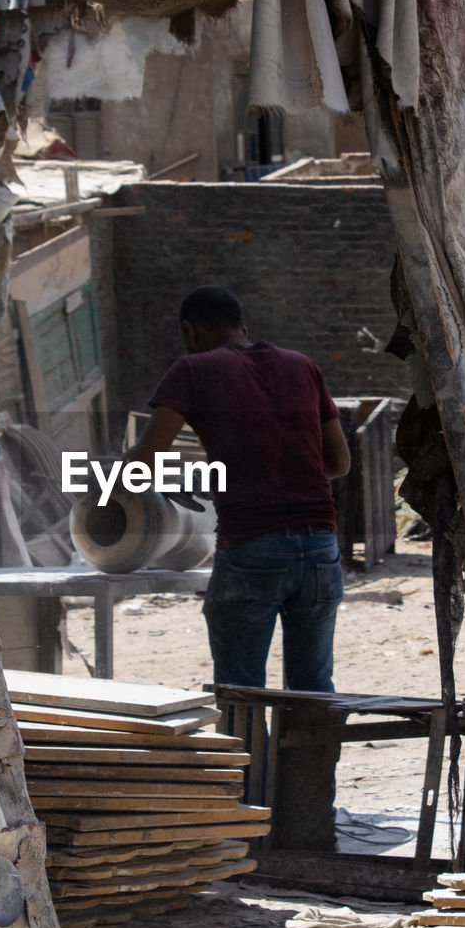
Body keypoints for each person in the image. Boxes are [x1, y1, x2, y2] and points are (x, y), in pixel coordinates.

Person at [125, 286, 350, 691]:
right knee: (314, 688)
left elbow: (144, 463)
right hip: (321, 548)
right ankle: (310, 756)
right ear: (243, 329)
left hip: (253, 547)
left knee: (242, 692)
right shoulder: (302, 365)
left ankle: (249, 757)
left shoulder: (192, 369)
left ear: (188, 331)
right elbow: (338, 463)